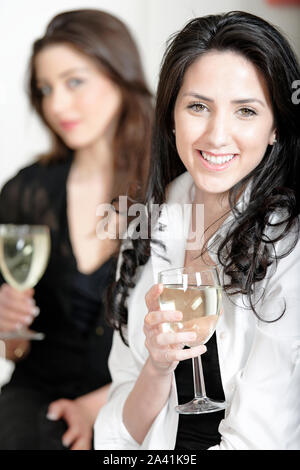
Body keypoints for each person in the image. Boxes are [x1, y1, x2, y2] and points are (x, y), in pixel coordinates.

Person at [94, 11, 300, 450]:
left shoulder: (290, 244)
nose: (217, 134)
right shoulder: (146, 227)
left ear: (275, 127)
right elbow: (117, 433)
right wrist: (156, 366)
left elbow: (261, 437)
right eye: (198, 106)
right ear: (171, 116)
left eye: (245, 111)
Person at [0, 9, 153, 450]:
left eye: (74, 82)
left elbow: (203, 333)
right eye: (45, 90)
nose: (56, 105)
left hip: (140, 398)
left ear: (118, 72)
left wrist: (98, 408)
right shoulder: (26, 191)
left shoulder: (173, 189)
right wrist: (9, 325)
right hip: (39, 397)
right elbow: (15, 349)